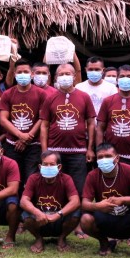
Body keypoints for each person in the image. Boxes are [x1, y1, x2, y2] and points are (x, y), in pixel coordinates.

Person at [80, 143, 130, 258]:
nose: (104, 160)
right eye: (100, 157)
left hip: (129, 221)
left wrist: (123, 200)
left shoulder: (129, 170)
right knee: (85, 220)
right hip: (106, 219)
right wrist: (98, 206)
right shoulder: (92, 175)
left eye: (108, 156)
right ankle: (105, 243)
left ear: (117, 158)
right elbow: (84, 203)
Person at [39, 63, 95, 194]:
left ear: (74, 77)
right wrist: (45, 151)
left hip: (78, 152)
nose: (64, 77)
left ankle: (77, 214)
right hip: (54, 152)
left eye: (67, 74)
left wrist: (90, 149)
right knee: (55, 188)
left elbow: (91, 123)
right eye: (61, 74)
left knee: (79, 188)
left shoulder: (84, 97)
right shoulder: (50, 98)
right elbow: (44, 125)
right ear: (56, 78)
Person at [20, 150, 80, 253]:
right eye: (45, 164)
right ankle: (38, 238)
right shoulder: (33, 178)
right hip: (39, 220)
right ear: (40, 167)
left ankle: (62, 238)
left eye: (52, 164)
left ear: (59, 167)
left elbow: (75, 201)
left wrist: (58, 214)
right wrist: (37, 212)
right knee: (25, 215)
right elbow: (23, 201)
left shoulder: (66, 179)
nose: (48, 167)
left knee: (76, 213)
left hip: (60, 220)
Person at [0, 59, 44, 186]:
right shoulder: (7, 94)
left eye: (26, 71)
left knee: (31, 179)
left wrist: (27, 138)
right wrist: (20, 135)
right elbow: (3, 119)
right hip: (12, 144)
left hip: (34, 145)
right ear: (14, 74)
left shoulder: (41, 94)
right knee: (14, 179)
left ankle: (28, 205)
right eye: (19, 72)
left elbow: (43, 118)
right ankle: (14, 205)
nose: (22, 74)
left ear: (32, 74)